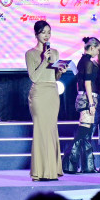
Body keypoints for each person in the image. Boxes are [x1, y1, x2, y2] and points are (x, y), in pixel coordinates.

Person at [25, 21, 66, 181]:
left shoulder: (55, 52)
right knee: (41, 131)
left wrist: (60, 72)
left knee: (51, 130)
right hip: (39, 94)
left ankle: (52, 171)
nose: (46, 35)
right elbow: (34, 77)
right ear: (36, 34)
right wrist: (44, 60)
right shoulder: (30, 53)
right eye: (43, 32)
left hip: (52, 93)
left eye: (49, 32)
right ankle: (40, 172)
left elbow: (54, 76)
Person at [64, 37, 100, 174]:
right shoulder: (88, 62)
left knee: (86, 131)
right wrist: (91, 103)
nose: (98, 52)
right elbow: (87, 83)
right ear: (92, 48)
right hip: (87, 98)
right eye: (97, 49)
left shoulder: (82, 61)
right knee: (84, 130)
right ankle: (69, 163)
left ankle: (87, 165)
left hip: (84, 97)